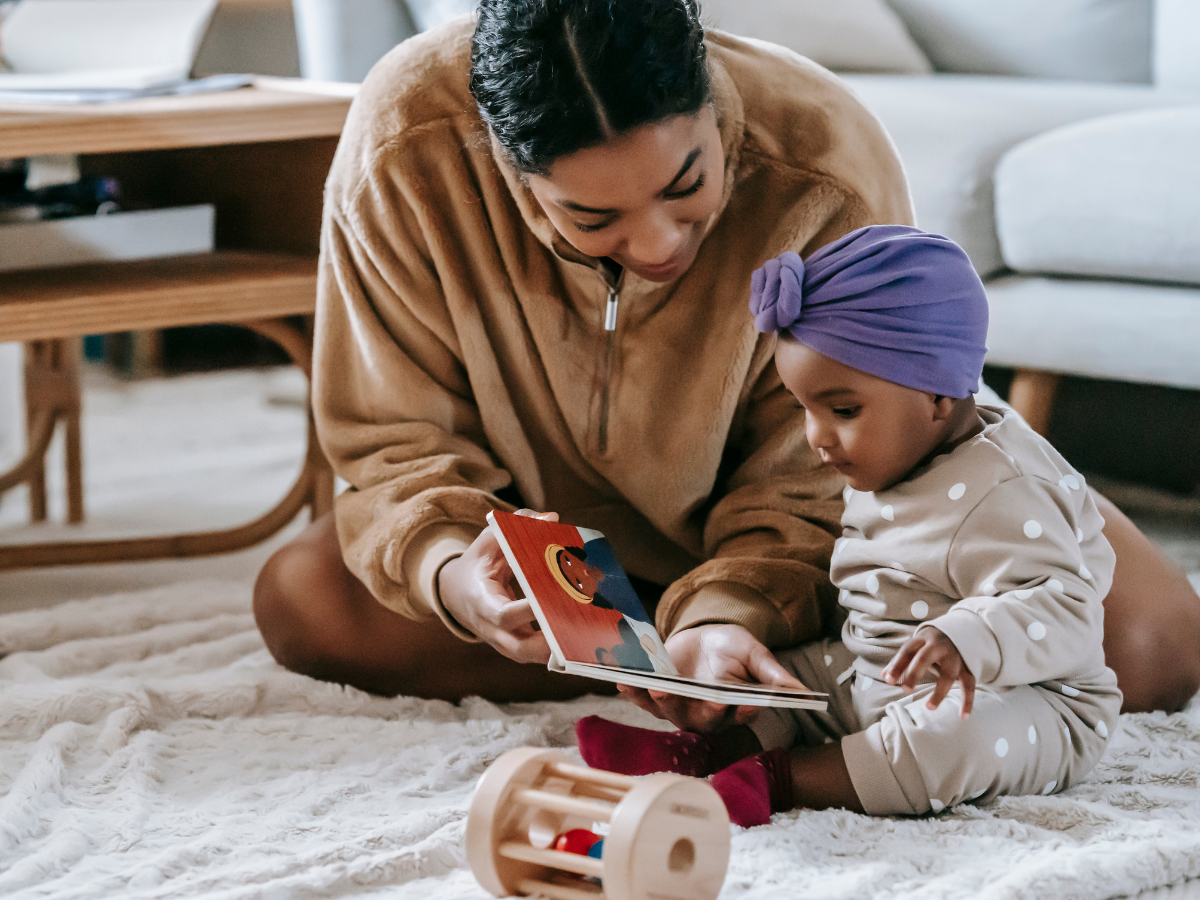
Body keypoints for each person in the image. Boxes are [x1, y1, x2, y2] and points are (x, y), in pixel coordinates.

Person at [251, 0, 1200, 715]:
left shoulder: (822, 156)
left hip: (831, 537)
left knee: (1151, 644)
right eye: (592, 218)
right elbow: (393, 441)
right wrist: (456, 575)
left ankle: (720, 652)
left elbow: (835, 470)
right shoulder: (407, 144)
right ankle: (712, 667)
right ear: (506, 162)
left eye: (686, 184)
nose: (659, 243)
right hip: (554, 533)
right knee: (305, 602)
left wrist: (732, 611)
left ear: (710, 94)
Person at [577, 226, 1124, 824]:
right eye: (803, 409)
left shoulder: (1008, 487)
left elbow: (1068, 608)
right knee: (786, 680)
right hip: (879, 667)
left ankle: (778, 782)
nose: (816, 438)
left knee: (946, 743)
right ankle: (705, 753)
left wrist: (968, 638)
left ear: (938, 394)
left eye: (841, 410)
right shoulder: (893, 453)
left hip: (1026, 699)